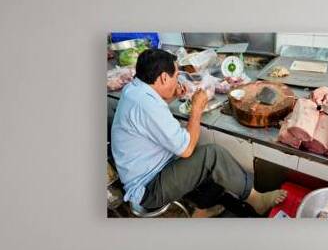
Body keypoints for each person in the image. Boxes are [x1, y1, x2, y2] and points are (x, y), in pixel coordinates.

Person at [111, 48, 287, 216]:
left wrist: (171, 94)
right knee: (211, 154)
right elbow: (186, 149)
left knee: (200, 154)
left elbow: (153, 116)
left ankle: (203, 207)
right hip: (148, 189)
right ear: (164, 77)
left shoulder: (136, 89)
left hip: (151, 169)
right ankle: (256, 201)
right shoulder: (146, 105)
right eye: (176, 76)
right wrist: (196, 109)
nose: (178, 80)